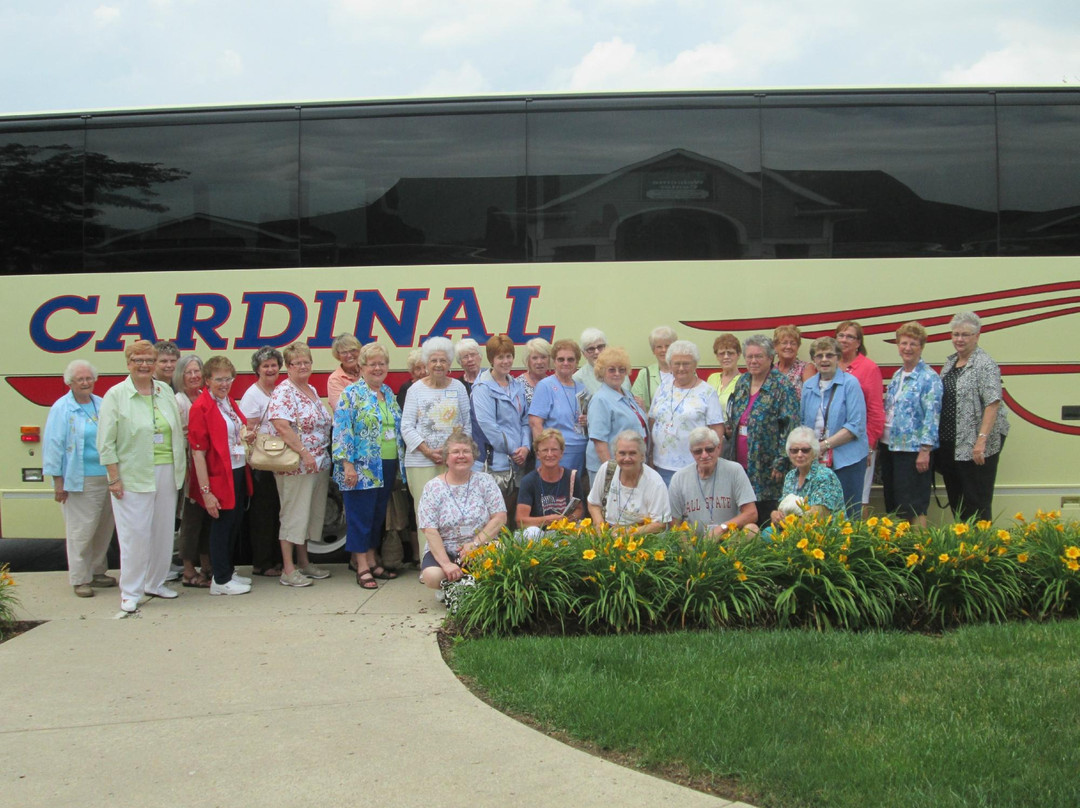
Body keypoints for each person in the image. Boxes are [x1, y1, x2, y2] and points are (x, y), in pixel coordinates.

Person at [97, 340, 187, 613]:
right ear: (128, 363)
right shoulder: (116, 395)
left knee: (162, 532)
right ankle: (130, 591)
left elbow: (176, 431)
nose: (144, 365)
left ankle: (155, 583)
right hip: (133, 473)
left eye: (149, 360)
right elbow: (106, 442)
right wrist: (113, 477)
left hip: (167, 470)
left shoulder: (164, 392)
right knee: (134, 535)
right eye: (138, 360)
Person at [333, 343, 406, 588]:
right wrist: (347, 465)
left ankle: (372, 559)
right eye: (372, 363)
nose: (378, 368)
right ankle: (361, 565)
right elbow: (343, 431)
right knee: (360, 516)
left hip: (385, 463)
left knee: (377, 516)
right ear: (361, 367)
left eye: (382, 363)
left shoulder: (388, 392)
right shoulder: (351, 394)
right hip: (360, 466)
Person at [43, 359, 116, 598]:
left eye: (89, 378)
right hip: (80, 479)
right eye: (80, 379)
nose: (85, 383)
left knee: (103, 529)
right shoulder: (62, 408)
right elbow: (53, 445)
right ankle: (80, 578)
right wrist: (58, 482)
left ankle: (97, 572)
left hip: (106, 476)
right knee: (81, 531)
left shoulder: (101, 404)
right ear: (70, 383)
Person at [188, 356, 255, 596]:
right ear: (207, 380)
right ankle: (220, 579)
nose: (224, 383)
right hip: (218, 475)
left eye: (228, 378)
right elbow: (198, 453)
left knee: (234, 522)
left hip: (236, 469)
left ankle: (227, 570)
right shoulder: (201, 407)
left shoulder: (227, 402)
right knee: (221, 526)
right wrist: (206, 493)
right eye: (219, 379)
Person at [268, 342, 333, 587]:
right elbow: (281, 425)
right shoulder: (284, 391)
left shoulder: (310, 389)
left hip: (317, 464)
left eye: (307, 362)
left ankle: (304, 563)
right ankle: (288, 569)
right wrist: (304, 453)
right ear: (288, 366)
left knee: (307, 515)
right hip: (297, 464)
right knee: (292, 515)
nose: (303, 366)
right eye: (297, 363)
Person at [936, 311, 1009, 522]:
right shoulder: (950, 363)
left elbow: (993, 403)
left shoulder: (985, 364)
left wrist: (981, 440)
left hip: (976, 447)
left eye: (965, 335)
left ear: (977, 336)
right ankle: (964, 547)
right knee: (958, 501)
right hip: (952, 444)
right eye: (955, 334)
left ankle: (982, 551)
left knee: (977, 502)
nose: (959, 339)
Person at [724, 335, 800, 529]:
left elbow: (791, 427)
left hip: (768, 467)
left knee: (766, 515)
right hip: (741, 463)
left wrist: (782, 461)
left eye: (758, 356)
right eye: (749, 357)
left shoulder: (782, 386)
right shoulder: (742, 381)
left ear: (770, 358)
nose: (753, 361)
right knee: (744, 512)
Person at [417, 430, 506, 593]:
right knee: (432, 575)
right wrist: (446, 564)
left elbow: (500, 517)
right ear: (446, 458)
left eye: (466, 451)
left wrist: (475, 544)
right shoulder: (433, 487)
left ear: (474, 456)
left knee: (500, 553)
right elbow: (429, 529)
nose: (461, 456)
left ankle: (469, 588)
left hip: (479, 546)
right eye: (455, 452)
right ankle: (456, 584)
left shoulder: (485, 481)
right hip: (445, 549)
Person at [401, 336, 472, 519]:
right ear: (426, 363)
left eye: (443, 360)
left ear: (449, 363)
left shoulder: (458, 388)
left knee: (455, 513)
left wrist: (454, 453)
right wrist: (427, 451)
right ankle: (428, 549)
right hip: (421, 462)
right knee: (427, 515)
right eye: (434, 360)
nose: (438, 364)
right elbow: (407, 426)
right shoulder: (415, 390)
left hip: (454, 462)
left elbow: (467, 425)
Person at [800, 337, 869, 521]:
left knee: (848, 514)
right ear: (814, 360)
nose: (824, 360)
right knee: (819, 513)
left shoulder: (850, 384)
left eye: (829, 355)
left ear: (838, 358)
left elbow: (855, 426)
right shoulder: (808, 386)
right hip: (816, 461)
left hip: (848, 460)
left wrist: (824, 445)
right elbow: (803, 423)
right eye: (819, 355)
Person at [881, 322, 943, 526]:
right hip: (891, 447)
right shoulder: (898, 375)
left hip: (913, 451)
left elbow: (932, 416)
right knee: (898, 504)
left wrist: (925, 450)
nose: (907, 348)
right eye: (903, 343)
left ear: (921, 347)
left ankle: (920, 553)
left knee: (914, 505)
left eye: (913, 344)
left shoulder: (928, 377)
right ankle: (903, 553)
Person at [471, 334, 530, 529]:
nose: (506, 361)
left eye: (509, 356)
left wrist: (526, 448)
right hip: (494, 464)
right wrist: (514, 450)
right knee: (493, 519)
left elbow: (525, 421)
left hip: (517, 463)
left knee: (512, 518)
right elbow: (489, 427)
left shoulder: (517, 385)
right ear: (491, 360)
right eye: (500, 357)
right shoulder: (482, 388)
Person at [649, 340, 724, 487]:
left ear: (695, 365)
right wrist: (650, 455)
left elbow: (717, 429)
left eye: (686, 363)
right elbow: (652, 420)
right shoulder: (662, 388)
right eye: (676, 363)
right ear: (670, 365)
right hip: (661, 466)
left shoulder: (707, 392)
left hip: (694, 467)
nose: (681, 368)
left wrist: (710, 461)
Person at [238, 346, 285, 577]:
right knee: (263, 514)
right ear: (257, 369)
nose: (270, 369)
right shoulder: (252, 395)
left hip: (280, 459)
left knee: (278, 511)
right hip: (262, 462)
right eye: (265, 366)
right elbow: (249, 429)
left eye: (274, 365)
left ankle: (277, 560)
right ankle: (262, 563)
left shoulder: (279, 391)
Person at [668, 427, 758, 538]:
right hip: (694, 543)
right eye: (698, 451)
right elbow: (674, 522)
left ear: (718, 448)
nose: (704, 455)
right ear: (691, 453)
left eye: (709, 449)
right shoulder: (679, 478)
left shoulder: (735, 470)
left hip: (730, 540)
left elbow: (751, 513)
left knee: (752, 530)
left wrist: (722, 528)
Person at [836, 320, 885, 517]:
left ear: (858, 343)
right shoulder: (829, 364)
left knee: (858, 497)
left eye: (850, 336)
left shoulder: (869, 368)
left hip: (859, 444)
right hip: (832, 443)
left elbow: (875, 411)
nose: (844, 340)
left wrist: (869, 447)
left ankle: (857, 539)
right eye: (841, 335)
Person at [173, 354, 211, 588]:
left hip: (206, 464)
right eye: (189, 372)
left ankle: (207, 566)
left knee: (207, 518)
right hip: (189, 464)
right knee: (191, 519)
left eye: (197, 371)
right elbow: (177, 437)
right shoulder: (177, 401)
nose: (195, 376)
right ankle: (188, 569)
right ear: (181, 376)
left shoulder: (204, 396)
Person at [529, 338, 589, 479]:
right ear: (554, 361)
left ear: (577, 362)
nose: (566, 363)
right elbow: (535, 423)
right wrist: (544, 454)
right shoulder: (545, 386)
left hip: (580, 453)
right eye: (561, 359)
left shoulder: (582, 389)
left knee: (574, 496)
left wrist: (587, 420)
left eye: (570, 359)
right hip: (556, 455)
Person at [587, 431, 670, 533]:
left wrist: (627, 533)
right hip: (607, 531)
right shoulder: (607, 469)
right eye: (622, 453)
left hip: (642, 536)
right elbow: (593, 504)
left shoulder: (655, 482)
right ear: (615, 455)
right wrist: (600, 527)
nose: (627, 458)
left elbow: (660, 523)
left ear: (642, 456)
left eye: (632, 453)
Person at [586, 346, 649, 479]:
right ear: (602, 372)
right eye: (611, 370)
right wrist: (613, 473)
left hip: (630, 466)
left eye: (621, 370)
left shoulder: (627, 395)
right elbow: (599, 442)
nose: (617, 373)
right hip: (611, 470)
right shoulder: (600, 399)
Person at [770, 426, 845, 525]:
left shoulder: (825, 476)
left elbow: (818, 516)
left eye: (805, 450)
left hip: (822, 534)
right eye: (794, 450)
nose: (799, 455)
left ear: (814, 452)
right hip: (792, 530)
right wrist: (775, 514)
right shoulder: (790, 476)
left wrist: (787, 524)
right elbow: (783, 508)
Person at [516, 429, 585, 528]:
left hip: (564, 531)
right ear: (538, 454)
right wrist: (548, 520)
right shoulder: (528, 481)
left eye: (554, 450)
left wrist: (570, 518)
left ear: (561, 452)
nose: (549, 454)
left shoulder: (572, 478)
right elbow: (520, 521)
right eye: (545, 450)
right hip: (538, 534)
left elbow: (579, 509)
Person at [630, 325, 677, 411]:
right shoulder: (645, 374)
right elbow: (634, 403)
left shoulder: (685, 371)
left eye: (667, 346)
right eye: (659, 347)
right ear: (653, 350)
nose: (664, 350)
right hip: (653, 423)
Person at [773, 325, 815, 398]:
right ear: (776, 347)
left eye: (793, 343)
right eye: (784, 343)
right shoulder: (770, 370)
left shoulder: (806, 368)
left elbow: (812, 398)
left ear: (798, 347)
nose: (789, 346)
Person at [326, 333, 362, 412]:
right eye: (344, 352)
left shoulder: (367, 371)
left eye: (353, 350)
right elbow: (341, 409)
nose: (349, 355)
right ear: (338, 355)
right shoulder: (335, 379)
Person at [705, 333, 742, 412]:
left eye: (730, 353)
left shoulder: (744, 380)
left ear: (738, 355)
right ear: (717, 356)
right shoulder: (712, 378)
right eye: (722, 353)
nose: (726, 357)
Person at [518, 337, 552, 407]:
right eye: (535, 358)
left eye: (543, 357)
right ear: (528, 360)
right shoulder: (518, 384)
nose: (539, 362)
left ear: (549, 359)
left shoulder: (553, 384)